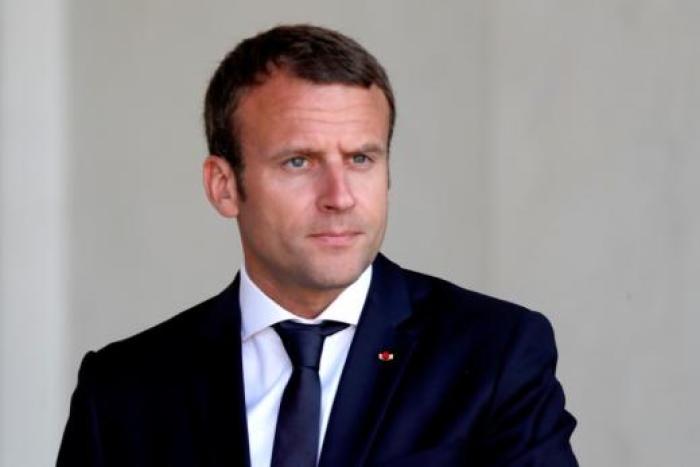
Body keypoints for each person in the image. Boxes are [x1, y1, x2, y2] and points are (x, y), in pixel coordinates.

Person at [57, 24, 578, 467]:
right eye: (299, 162)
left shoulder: (495, 354)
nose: (340, 197)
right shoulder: (123, 390)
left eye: (361, 159)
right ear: (224, 186)